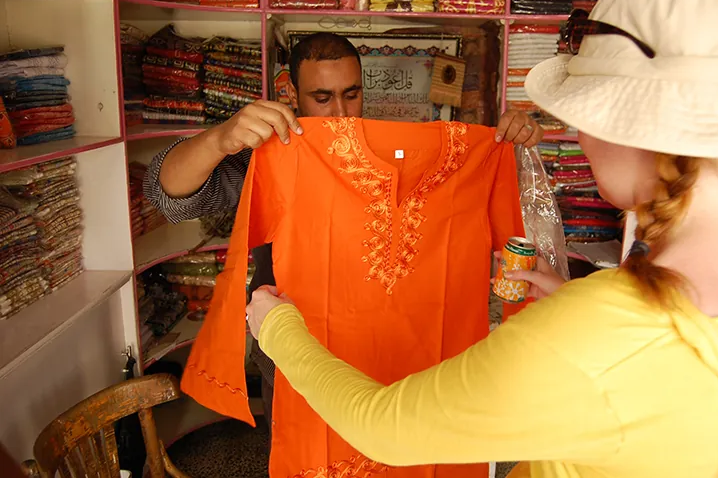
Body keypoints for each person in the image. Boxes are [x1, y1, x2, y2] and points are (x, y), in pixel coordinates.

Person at [246, 0, 718, 478]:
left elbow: (383, 430)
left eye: (583, 114)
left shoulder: (594, 328)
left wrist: (277, 326)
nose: (580, 137)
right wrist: (574, 305)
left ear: (626, 124)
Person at [143, 32, 544, 457]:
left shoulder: (400, 146)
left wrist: (506, 145)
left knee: (404, 449)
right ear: (291, 93)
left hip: (403, 349)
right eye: (322, 97)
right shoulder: (272, 150)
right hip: (297, 348)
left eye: (351, 94)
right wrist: (220, 138)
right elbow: (167, 195)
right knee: (312, 451)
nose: (340, 111)